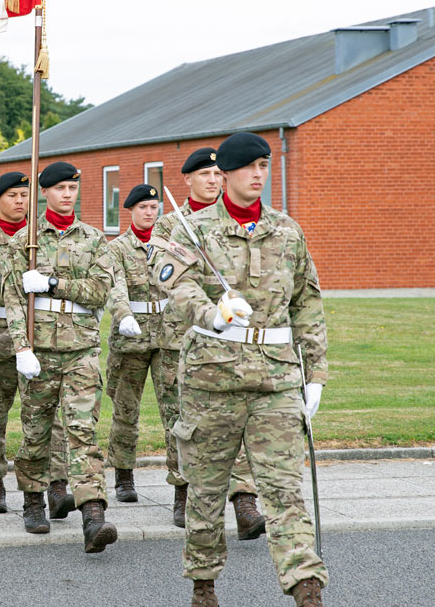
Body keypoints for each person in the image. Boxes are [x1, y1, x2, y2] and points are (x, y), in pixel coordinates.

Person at [154, 133, 328, 606]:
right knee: (207, 495)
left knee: (284, 490)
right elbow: (173, 281)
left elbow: (307, 303)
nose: (258, 174)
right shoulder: (192, 228)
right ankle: (204, 586)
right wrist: (212, 313)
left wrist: (315, 372)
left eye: (264, 165)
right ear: (224, 173)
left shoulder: (286, 231)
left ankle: (306, 589)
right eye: (249, 166)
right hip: (212, 379)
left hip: (275, 380)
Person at [2, 161, 118, 553]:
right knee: (35, 433)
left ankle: (93, 514)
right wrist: (21, 347)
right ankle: (33, 500)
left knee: (82, 432)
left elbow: (101, 290)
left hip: (81, 349)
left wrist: (54, 283)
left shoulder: (93, 239)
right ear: (45, 193)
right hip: (40, 351)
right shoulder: (26, 242)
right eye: (61, 188)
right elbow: (14, 300)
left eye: (73, 188)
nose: (68, 194)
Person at [152, 148, 266, 536]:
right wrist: (212, 307)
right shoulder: (172, 225)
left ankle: (245, 499)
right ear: (188, 180)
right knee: (184, 421)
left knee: (243, 417)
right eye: (205, 174)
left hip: (239, 341)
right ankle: (183, 489)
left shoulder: (241, 221)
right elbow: (169, 279)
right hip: (186, 338)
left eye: (219, 174)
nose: (214, 180)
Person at [0, 172, 70, 514]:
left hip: (39, 342)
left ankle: (55, 483)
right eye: (12, 195)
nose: (20, 201)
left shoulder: (40, 240)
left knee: (47, 417)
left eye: (24, 195)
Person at [102, 184, 166, 503]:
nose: (149, 212)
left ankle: (183, 483)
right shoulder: (117, 248)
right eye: (143, 207)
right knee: (126, 411)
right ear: (130, 210)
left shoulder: (169, 245)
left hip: (168, 337)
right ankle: (124, 476)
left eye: (154, 207)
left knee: (176, 410)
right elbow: (116, 286)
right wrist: (124, 314)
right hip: (131, 337)